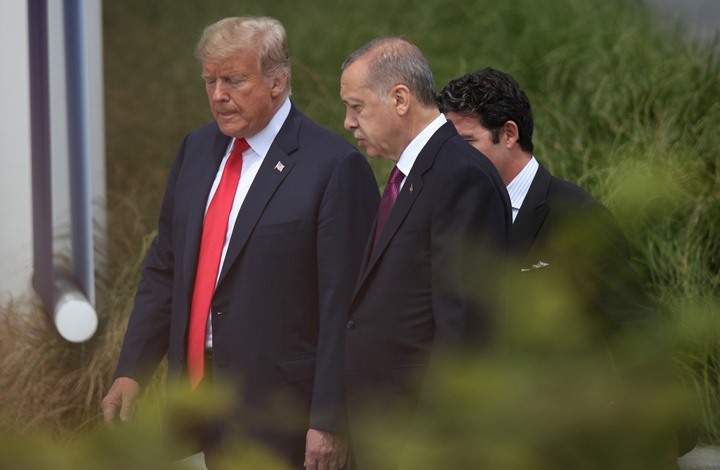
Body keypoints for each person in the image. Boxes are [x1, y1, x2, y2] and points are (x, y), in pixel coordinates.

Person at [101, 16, 379, 469]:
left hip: (282, 415)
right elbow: (166, 268)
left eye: (234, 80)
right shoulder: (195, 150)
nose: (218, 95)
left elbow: (347, 308)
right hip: (196, 402)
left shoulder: (333, 166)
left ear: (277, 82)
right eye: (209, 81)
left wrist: (331, 417)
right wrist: (133, 370)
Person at [438, 68, 690, 465]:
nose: (455, 160)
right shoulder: (456, 215)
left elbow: (634, 329)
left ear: (509, 134)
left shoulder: (577, 215)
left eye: (467, 142)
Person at [339, 38, 511, 469]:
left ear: (400, 99)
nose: (348, 122)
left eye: (357, 107)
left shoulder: (460, 175)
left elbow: (463, 332)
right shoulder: (409, 174)